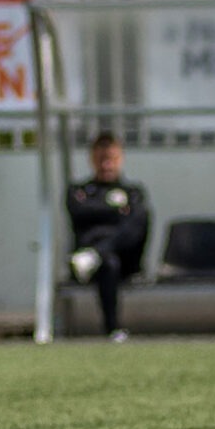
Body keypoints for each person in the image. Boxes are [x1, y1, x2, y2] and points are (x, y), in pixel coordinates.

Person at [66, 132, 151, 342]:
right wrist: (115, 209)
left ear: (120, 158)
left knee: (140, 218)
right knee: (108, 263)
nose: (106, 165)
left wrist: (99, 247)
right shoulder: (79, 191)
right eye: (101, 159)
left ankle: (97, 253)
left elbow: (136, 224)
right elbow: (80, 212)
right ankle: (112, 328)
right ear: (92, 159)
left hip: (127, 259)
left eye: (111, 159)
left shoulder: (133, 192)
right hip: (89, 265)